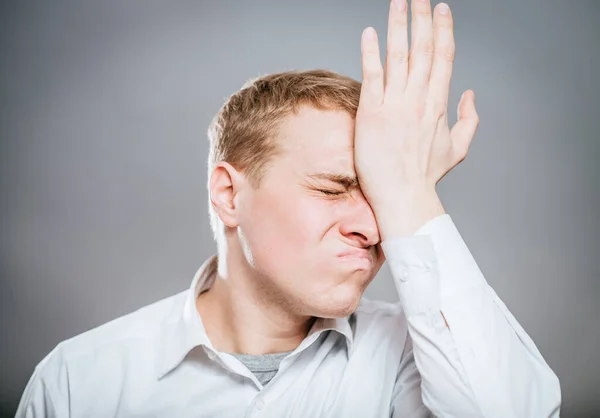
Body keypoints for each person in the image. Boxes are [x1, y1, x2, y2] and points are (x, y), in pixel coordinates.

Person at [16, 0, 561, 416]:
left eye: (382, 198)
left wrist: (411, 193)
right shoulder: (77, 380)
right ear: (229, 195)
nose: (374, 230)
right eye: (331, 188)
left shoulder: (412, 360)